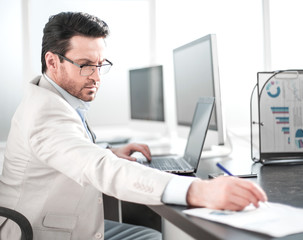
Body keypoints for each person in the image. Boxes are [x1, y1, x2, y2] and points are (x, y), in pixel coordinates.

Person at [0, 12, 267, 240]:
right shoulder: (45, 113)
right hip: (39, 231)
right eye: (84, 65)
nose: (95, 76)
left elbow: (71, 147)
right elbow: (99, 167)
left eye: (100, 65)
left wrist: (109, 150)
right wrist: (197, 190)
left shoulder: (55, 97)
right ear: (52, 62)